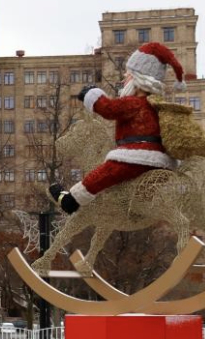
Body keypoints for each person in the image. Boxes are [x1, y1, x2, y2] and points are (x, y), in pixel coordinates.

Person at [49, 42, 187, 214]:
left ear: (139, 79)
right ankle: (137, 206)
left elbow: (108, 109)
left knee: (105, 173)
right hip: (159, 160)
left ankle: (71, 200)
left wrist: (90, 94)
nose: (124, 77)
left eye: (128, 74)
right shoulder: (156, 105)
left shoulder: (135, 103)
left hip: (137, 157)